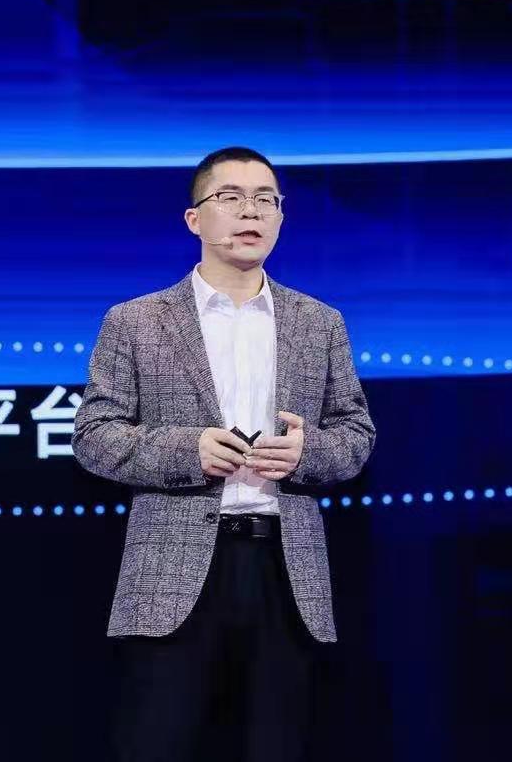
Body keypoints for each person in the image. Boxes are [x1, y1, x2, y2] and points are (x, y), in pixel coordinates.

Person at [72, 145, 376, 762]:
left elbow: (356, 436)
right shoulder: (136, 321)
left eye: (266, 200)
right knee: (156, 743)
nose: (251, 212)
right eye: (231, 197)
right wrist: (189, 450)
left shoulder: (320, 323)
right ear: (195, 219)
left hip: (284, 571)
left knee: (277, 745)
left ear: (281, 217)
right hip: (172, 573)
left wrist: (306, 452)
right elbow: (94, 436)